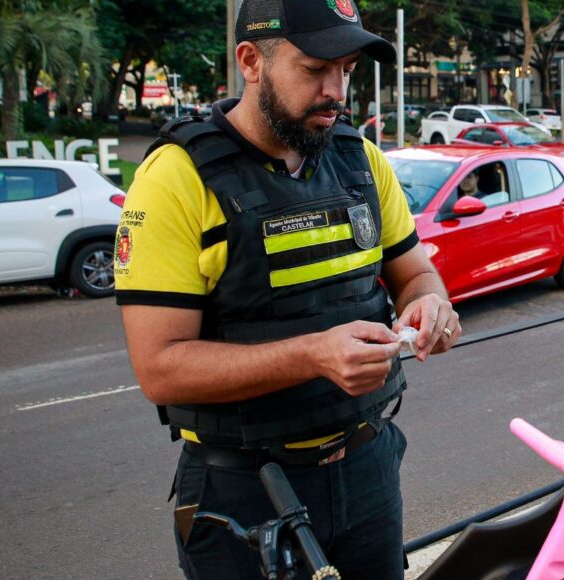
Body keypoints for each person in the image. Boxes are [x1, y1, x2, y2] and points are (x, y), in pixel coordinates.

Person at [113, 0, 462, 578]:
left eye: (346, 69)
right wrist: (313, 356)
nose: (336, 91)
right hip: (245, 491)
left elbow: (416, 273)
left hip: (368, 468)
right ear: (251, 61)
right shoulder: (176, 177)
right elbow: (160, 368)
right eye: (314, 69)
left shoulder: (360, 158)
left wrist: (431, 303)